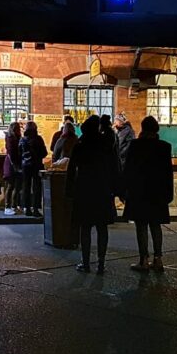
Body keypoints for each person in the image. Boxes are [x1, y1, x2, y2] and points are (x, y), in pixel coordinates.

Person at [67, 116, 119, 274]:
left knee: (85, 228)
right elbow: (114, 168)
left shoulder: (81, 145)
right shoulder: (106, 145)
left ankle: (86, 262)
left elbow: (71, 170)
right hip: (102, 190)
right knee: (102, 228)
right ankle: (101, 263)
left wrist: (69, 191)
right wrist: (116, 189)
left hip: (84, 190)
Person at [124, 115, 174, 270]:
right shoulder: (164, 147)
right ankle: (158, 259)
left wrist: (124, 190)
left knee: (141, 226)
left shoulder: (135, 145)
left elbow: (128, 170)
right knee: (155, 225)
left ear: (143, 128)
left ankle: (143, 260)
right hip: (158, 192)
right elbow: (168, 173)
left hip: (139, 192)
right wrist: (169, 193)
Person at [19, 120, 48, 216]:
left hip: (25, 166)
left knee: (26, 187)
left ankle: (27, 208)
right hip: (37, 165)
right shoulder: (38, 139)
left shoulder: (22, 139)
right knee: (37, 187)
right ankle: (36, 209)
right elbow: (44, 153)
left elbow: (19, 153)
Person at [2, 121, 23, 215]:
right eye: (19, 128)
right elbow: (11, 153)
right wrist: (15, 165)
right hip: (12, 165)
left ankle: (13, 206)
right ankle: (7, 207)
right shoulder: (11, 138)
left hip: (16, 164)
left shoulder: (16, 138)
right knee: (10, 186)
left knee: (16, 186)